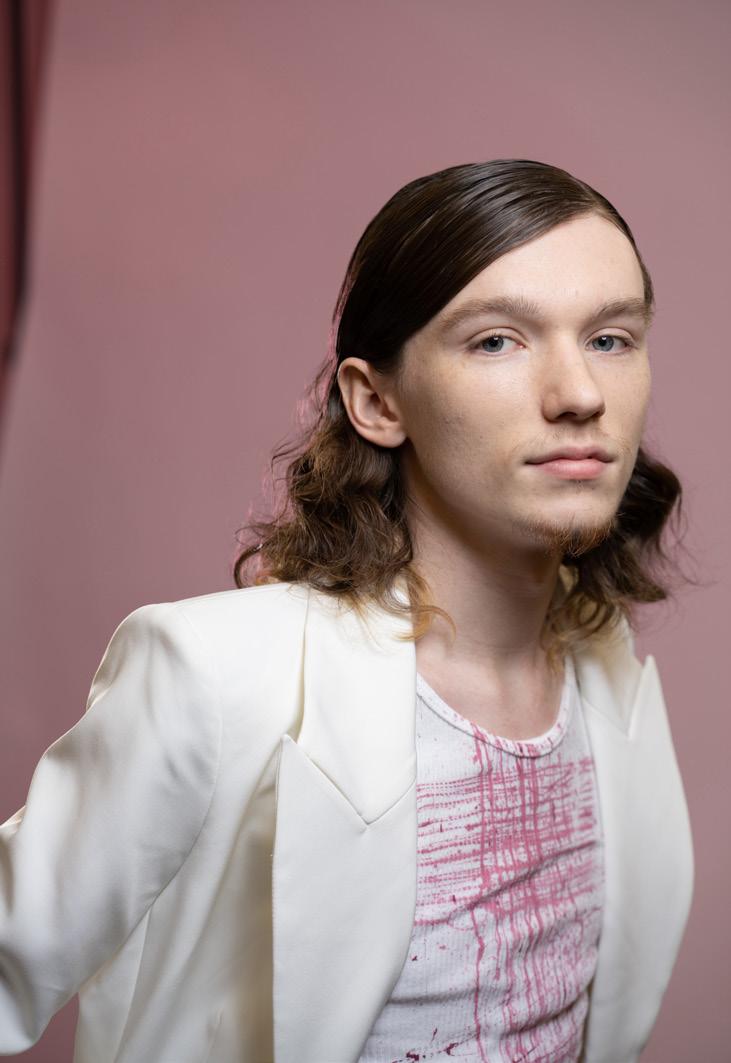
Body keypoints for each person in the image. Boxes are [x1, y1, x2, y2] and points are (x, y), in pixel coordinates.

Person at [0, 159, 694, 1063]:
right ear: (375, 400)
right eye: (496, 340)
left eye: (609, 337)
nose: (580, 394)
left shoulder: (607, 669)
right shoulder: (212, 675)